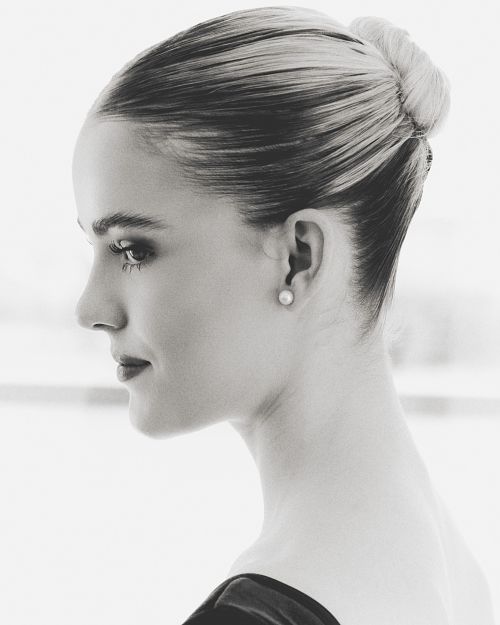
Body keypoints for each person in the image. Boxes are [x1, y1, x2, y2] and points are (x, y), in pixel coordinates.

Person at [71, 6, 496, 625]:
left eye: (134, 250)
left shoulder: (264, 611)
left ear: (299, 258)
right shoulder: (452, 571)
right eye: (94, 247)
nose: (90, 309)